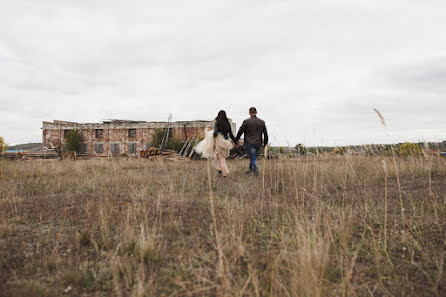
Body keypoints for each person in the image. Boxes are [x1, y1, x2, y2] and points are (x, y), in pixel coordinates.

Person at [195, 110, 237, 177]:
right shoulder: (228, 123)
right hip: (226, 143)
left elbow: (215, 133)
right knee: (222, 159)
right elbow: (231, 134)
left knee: (220, 159)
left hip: (219, 143)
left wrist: (212, 135)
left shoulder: (217, 123)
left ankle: (224, 175)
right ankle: (221, 172)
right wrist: (235, 141)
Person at [235, 107, 268, 176]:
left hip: (249, 143)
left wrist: (236, 140)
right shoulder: (261, 122)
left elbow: (240, 131)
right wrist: (265, 143)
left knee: (253, 158)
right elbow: (265, 134)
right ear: (256, 112)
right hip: (258, 143)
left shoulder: (246, 122)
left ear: (249, 113)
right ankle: (250, 170)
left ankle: (256, 172)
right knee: (253, 158)